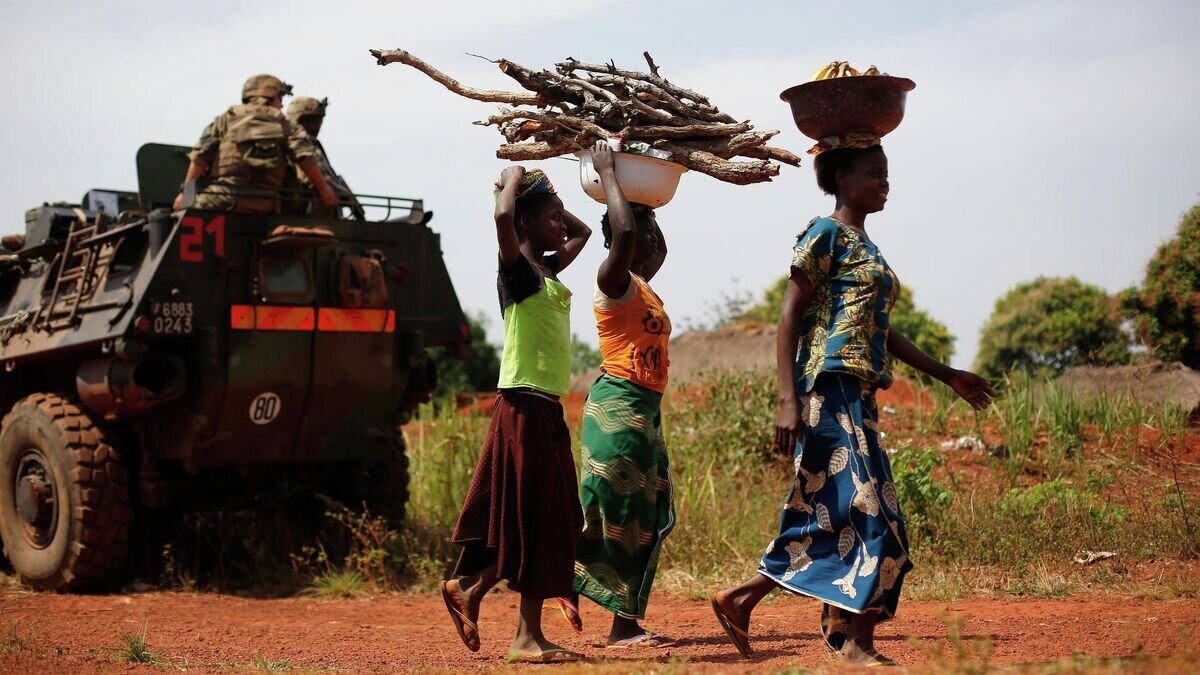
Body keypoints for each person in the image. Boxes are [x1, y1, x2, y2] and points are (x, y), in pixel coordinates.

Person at [709, 140, 996, 665]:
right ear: (841, 177)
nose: (885, 184)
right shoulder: (824, 234)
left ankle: (744, 600)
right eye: (874, 174)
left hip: (859, 395)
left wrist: (947, 374)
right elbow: (789, 318)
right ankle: (852, 644)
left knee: (839, 515)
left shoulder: (869, 248)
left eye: (887, 175)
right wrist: (786, 400)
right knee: (871, 514)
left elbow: (883, 333)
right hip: (827, 389)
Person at [440, 166, 592, 664]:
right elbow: (504, 215)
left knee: (551, 519)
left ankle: (475, 589)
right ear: (525, 224)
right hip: (522, 405)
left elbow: (584, 230)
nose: (560, 227)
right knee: (535, 518)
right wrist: (513, 179)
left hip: (545, 407)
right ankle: (523, 636)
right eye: (550, 219)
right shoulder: (518, 271)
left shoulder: (548, 270)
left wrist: (548, 196)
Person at [556, 141, 675, 648]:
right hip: (617, 407)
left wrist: (648, 198)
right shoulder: (613, 280)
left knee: (645, 515)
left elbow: (657, 244)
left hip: (645, 410)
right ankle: (557, 583)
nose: (649, 238)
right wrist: (610, 178)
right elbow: (624, 230)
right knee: (612, 509)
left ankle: (607, 609)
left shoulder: (644, 283)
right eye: (642, 230)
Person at [172, 74, 338, 214]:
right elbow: (305, 157)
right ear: (270, 96)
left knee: (175, 218)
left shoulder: (225, 120)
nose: (282, 104)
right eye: (280, 98)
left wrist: (185, 196)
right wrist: (324, 190)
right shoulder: (286, 124)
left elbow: (200, 156)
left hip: (223, 197)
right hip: (269, 203)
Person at [285, 96, 364, 219]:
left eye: (319, 121)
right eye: (310, 121)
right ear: (296, 120)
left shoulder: (314, 144)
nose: (316, 126)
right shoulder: (292, 144)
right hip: (303, 213)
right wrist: (344, 195)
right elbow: (313, 178)